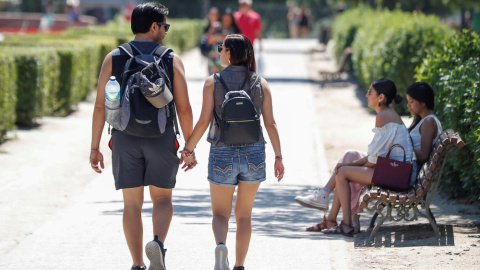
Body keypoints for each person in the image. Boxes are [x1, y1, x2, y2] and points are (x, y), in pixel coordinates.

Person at [89, 3, 194, 270]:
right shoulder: (171, 58)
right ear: (154, 27)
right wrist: (190, 147)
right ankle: (157, 243)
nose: (166, 32)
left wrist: (95, 147)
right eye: (165, 26)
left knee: (132, 205)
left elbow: (101, 105)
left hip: (124, 137)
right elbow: (183, 108)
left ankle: (137, 264)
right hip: (161, 137)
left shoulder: (114, 57)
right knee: (162, 199)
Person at [181, 34, 285, 270]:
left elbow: (203, 121)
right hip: (254, 154)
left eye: (222, 48)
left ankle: (220, 246)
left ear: (230, 53)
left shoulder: (213, 82)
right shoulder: (261, 83)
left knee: (220, 214)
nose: (219, 52)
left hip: (222, 153)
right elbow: (271, 124)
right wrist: (278, 157)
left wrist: (188, 149)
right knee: (244, 216)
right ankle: (239, 265)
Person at [296, 79, 415, 236]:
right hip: (394, 170)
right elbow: (374, 157)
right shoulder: (387, 114)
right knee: (349, 155)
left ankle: (346, 224)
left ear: (381, 98)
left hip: (397, 174)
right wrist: (350, 163)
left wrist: (348, 167)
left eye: (370, 92)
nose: (366, 95)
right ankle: (329, 212)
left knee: (343, 173)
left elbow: (373, 161)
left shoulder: (384, 116)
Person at [205, 8, 241, 75]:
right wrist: (220, 37)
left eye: (228, 19)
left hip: (230, 60)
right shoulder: (216, 26)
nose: (226, 21)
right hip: (215, 59)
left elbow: (240, 43)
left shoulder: (235, 29)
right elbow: (208, 40)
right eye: (225, 19)